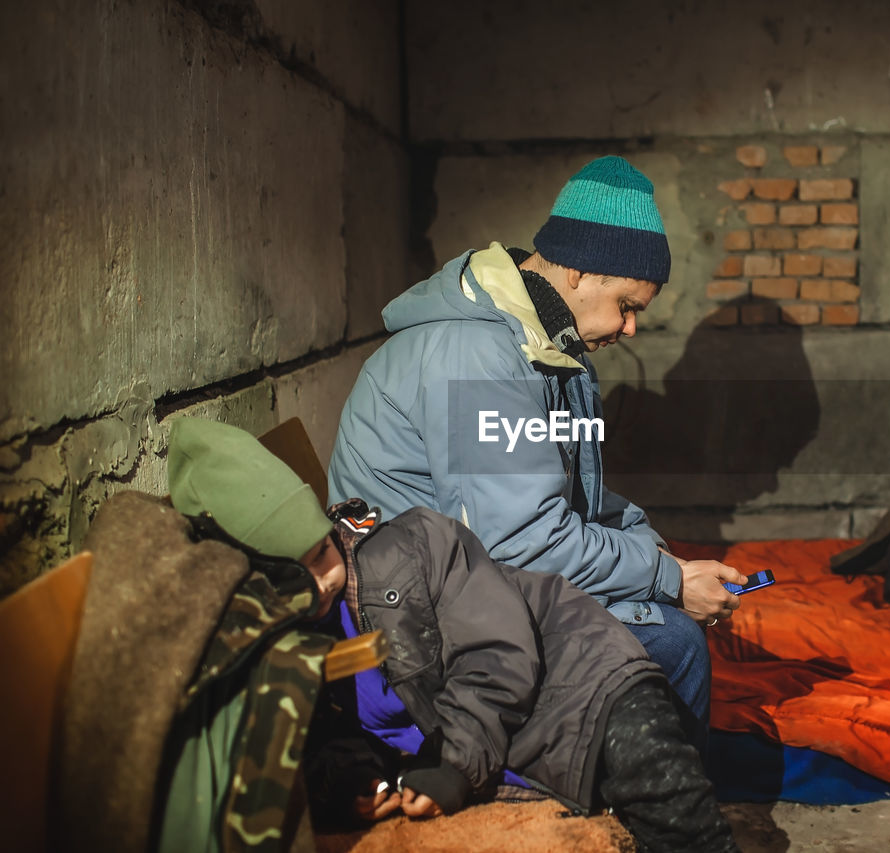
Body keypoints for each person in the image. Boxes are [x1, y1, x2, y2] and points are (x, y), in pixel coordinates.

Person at [166, 417, 739, 852]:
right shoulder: (275, 641)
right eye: (297, 572)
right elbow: (321, 734)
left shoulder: (410, 547)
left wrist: (455, 766)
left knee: (670, 797)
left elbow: (498, 654)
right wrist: (353, 779)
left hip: (573, 676)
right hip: (485, 739)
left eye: (322, 551)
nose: (323, 581)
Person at [328, 156, 747, 737]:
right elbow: (518, 544)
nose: (631, 330)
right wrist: (666, 581)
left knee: (664, 613)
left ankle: (648, 803)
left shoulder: (555, 355)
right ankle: (660, 821)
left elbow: (578, 495)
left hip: (471, 580)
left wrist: (658, 557)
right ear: (579, 272)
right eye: (627, 306)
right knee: (671, 642)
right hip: (416, 618)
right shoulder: (477, 357)